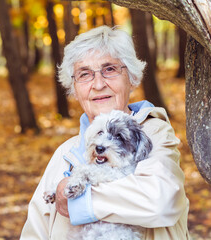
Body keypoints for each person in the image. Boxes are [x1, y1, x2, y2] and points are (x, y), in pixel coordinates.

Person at [20, 25, 190, 240]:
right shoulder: (65, 153)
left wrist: (76, 199)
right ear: (74, 88)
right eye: (84, 74)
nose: (98, 84)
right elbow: (35, 232)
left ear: (132, 78)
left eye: (109, 69)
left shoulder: (154, 132)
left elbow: (160, 201)